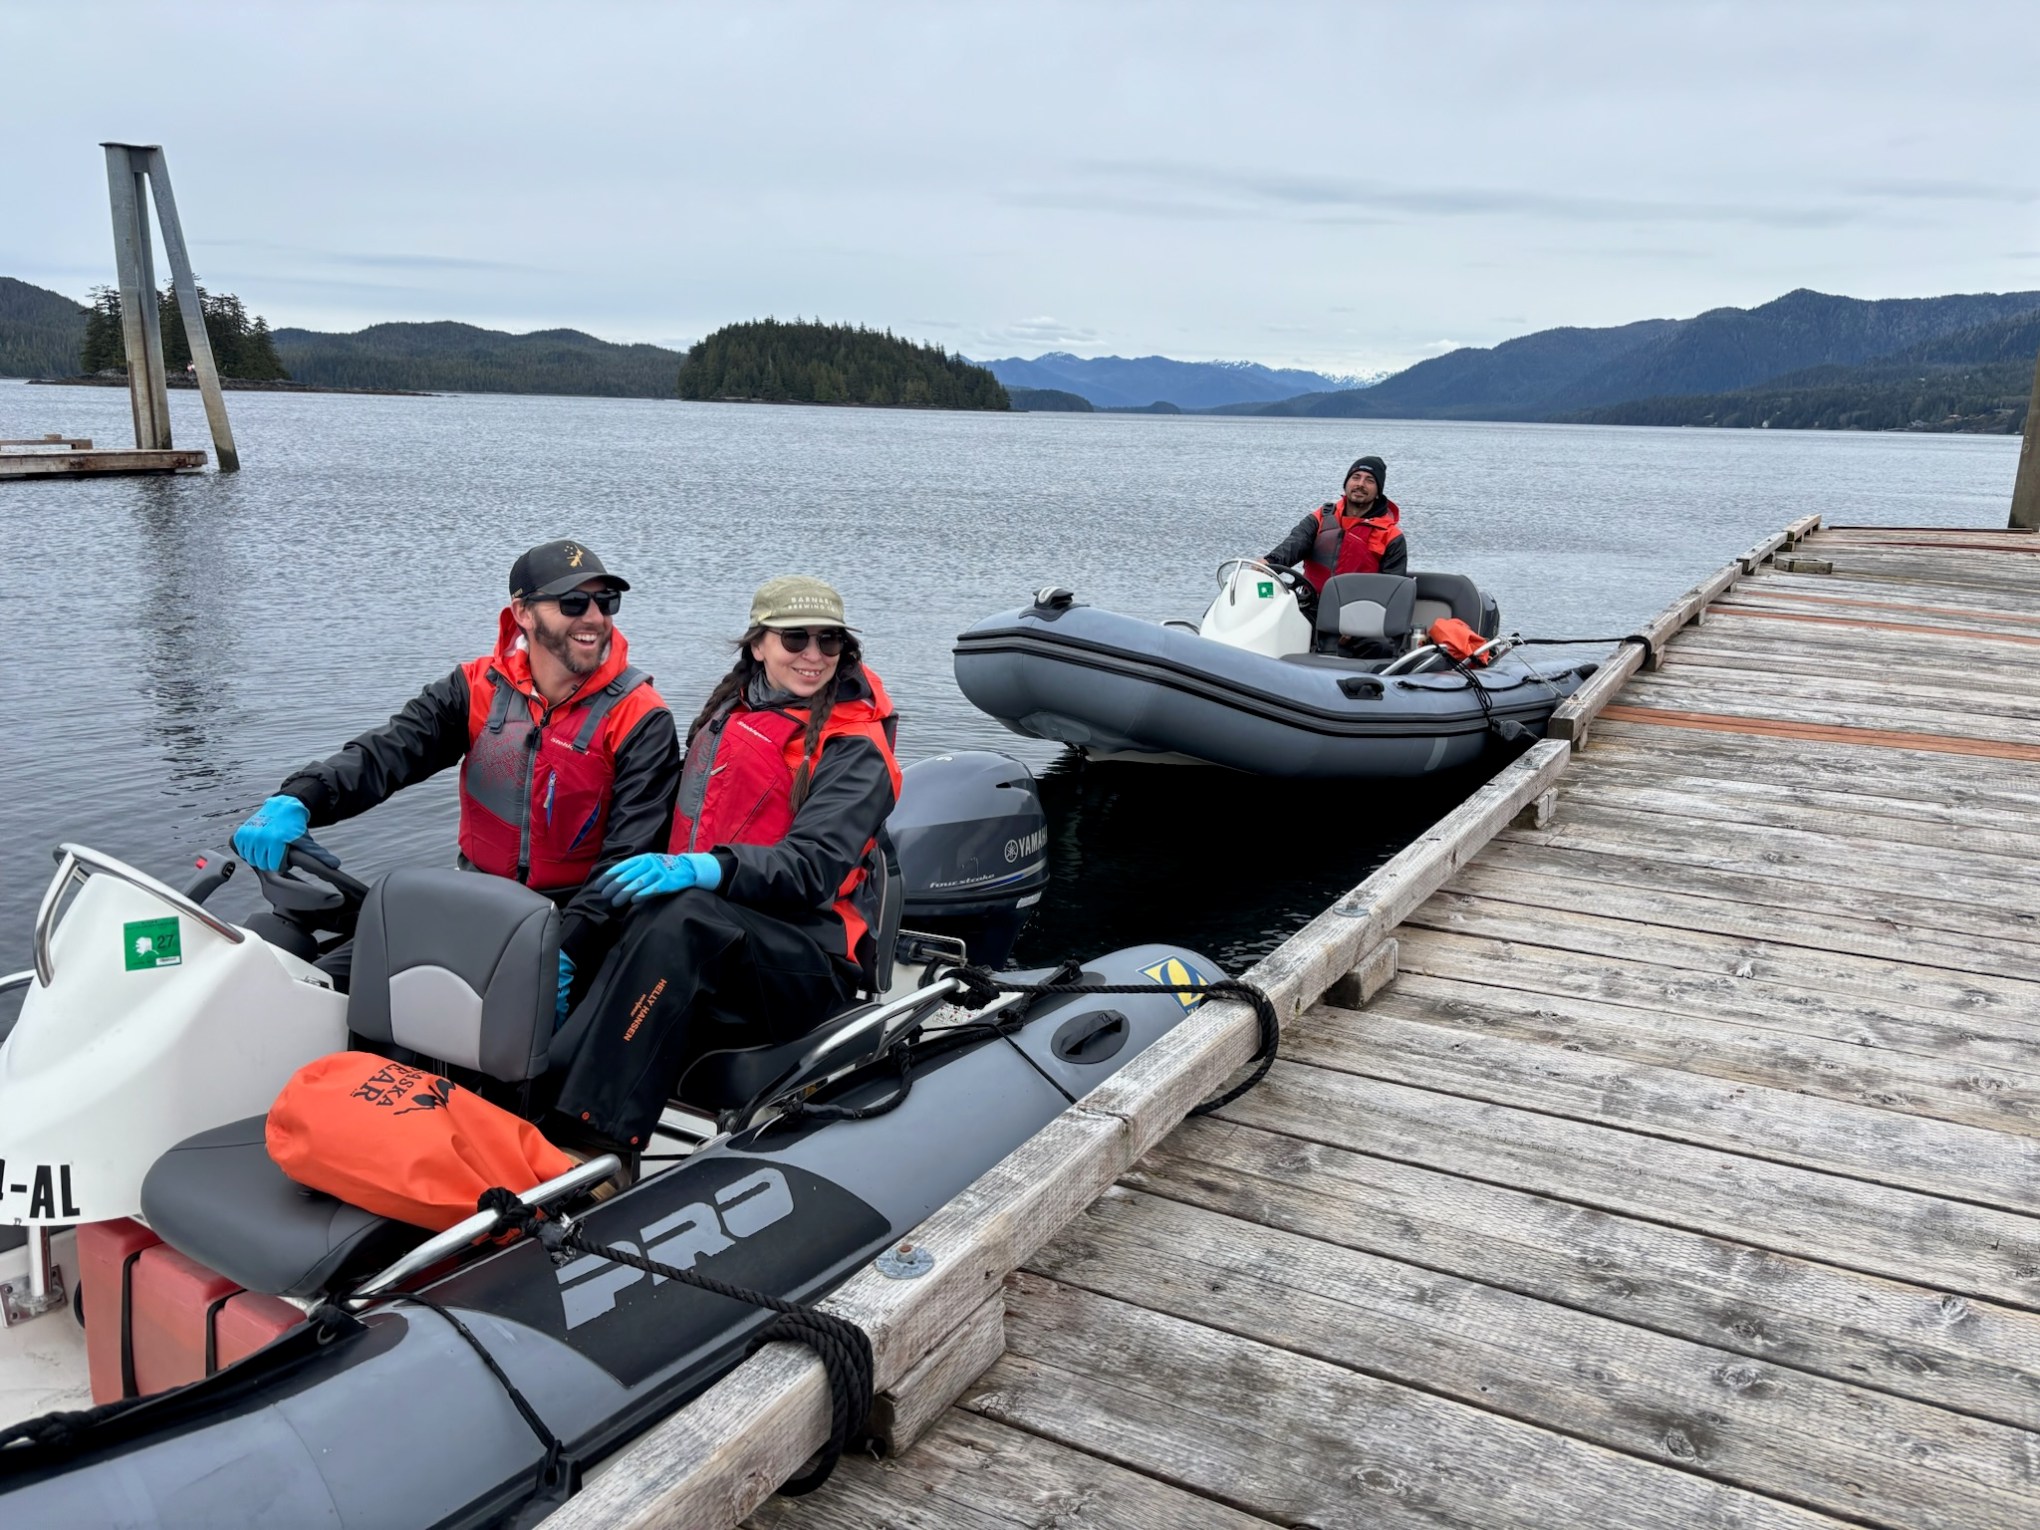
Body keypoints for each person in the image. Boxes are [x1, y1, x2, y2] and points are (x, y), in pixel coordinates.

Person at [229, 539, 680, 1016]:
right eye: (573, 602)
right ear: (522, 612)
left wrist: (567, 951)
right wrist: (301, 798)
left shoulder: (640, 718)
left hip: (576, 921)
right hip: (478, 901)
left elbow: (629, 859)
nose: (594, 617)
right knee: (314, 992)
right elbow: (385, 754)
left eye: (605, 602)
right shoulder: (476, 687)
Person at [549, 575, 901, 1149]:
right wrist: (575, 936)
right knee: (602, 915)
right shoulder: (728, 713)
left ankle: (592, 1146)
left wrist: (707, 868)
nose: (813, 656)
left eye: (828, 642)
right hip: (727, 930)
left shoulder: (853, 746)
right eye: (795, 640)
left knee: (681, 918)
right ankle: (529, 1095)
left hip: (808, 956)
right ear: (758, 645)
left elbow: (814, 866)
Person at [1261, 454, 1408, 594]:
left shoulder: (1391, 536)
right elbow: (1294, 545)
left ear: (1378, 492)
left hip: (1359, 611)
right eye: (1356, 477)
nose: (1360, 484)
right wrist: (1269, 562)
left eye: (1370, 480)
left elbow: (1392, 589)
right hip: (1311, 605)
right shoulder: (1320, 518)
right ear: (1346, 484)